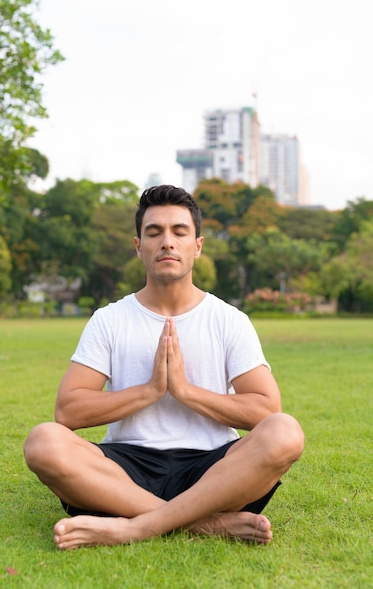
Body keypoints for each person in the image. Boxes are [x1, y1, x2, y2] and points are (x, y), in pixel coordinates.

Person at [24, 184, 304, 550]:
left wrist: (185, 391)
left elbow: (267, 411)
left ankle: (131, 527)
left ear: (197, 246)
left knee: (285, 432)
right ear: (139, 247)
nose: (167, 242)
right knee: (43, 442)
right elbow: (68, 410)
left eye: (179, 232)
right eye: (154, 232)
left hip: (214, 469)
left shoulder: (229, 320)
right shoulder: (110, 320)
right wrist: (150, 391)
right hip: (125, 471)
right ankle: (204, 524)